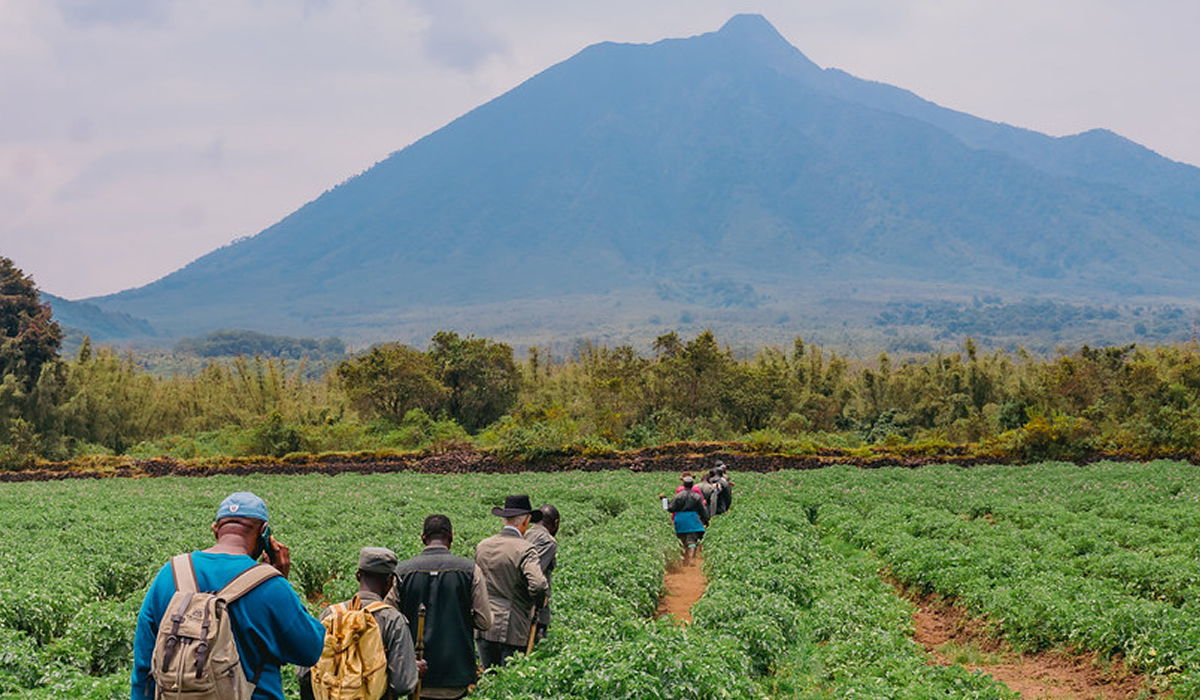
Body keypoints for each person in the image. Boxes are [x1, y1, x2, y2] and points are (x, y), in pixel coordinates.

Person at [131, 492, 325, 700]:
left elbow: (144, 665)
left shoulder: (170, 573)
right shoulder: (271, 585)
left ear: (216, 530)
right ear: (263, 532)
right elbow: (309, 650)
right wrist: (282, 580)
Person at [388, 514, 493, 700]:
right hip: (456, 674)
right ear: (451, 536)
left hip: (416, 673)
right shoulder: (470, 570)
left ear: (423, 538)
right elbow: (485, 621)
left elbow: (389, 618)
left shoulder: (402, 572)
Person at [300, 547, 421, 700]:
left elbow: (303, 671)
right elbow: (403, 684)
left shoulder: (329, 614)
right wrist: (414, 671)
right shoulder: (393, 621)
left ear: (358, 576)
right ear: (390, 581)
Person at [474, 494, 548, 670]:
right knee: (510, 681)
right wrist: (539, 602)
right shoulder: (525, 549)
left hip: (483, 625)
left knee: (489, 679)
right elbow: (538, 584)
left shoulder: (483, 545)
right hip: (512, 627)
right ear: (526, 521)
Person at [523, 504, 559, 641]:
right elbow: (533, 574)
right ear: (556, 523)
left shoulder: (524, 533)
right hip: (533, 609)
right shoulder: (548, 542)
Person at [667, 474, 709, 563]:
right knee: (692, 540)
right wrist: (706, 520)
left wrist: (666, 501)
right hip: (692, 518)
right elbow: (702, 510)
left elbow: (671, 509)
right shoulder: (696, 496)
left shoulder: (678, 496)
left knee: (683, 539)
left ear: (683, 484)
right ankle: (692, 558)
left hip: (680, 519)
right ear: (692, 484)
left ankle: (685, 559)